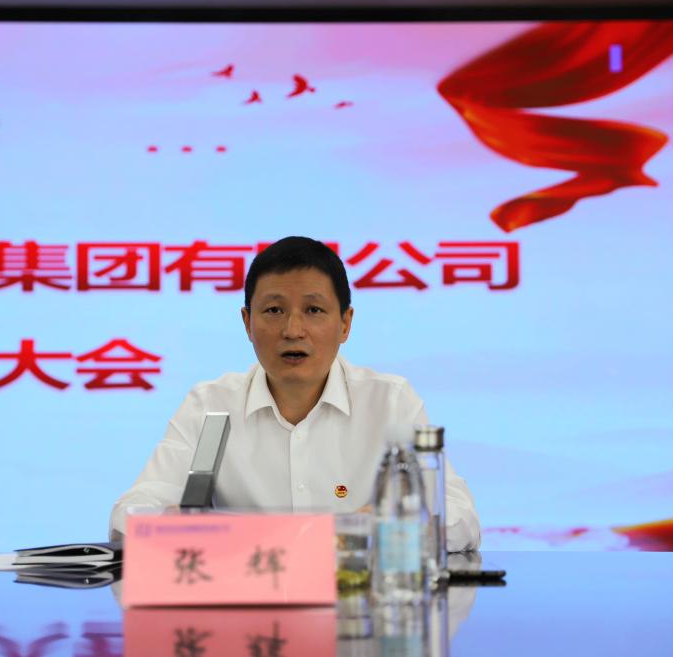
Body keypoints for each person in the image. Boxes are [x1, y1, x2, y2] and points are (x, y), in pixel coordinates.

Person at [109, 236, 481, 551]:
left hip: (356, 605)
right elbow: (128, 516)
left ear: (345, 323)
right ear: (247, 323)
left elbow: (460, 518)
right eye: (274, 310)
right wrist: (171, 523)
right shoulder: (211, 405)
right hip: (247, 607)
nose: (293, 330)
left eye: (314, 310)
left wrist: (381, 525)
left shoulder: (389, 402)